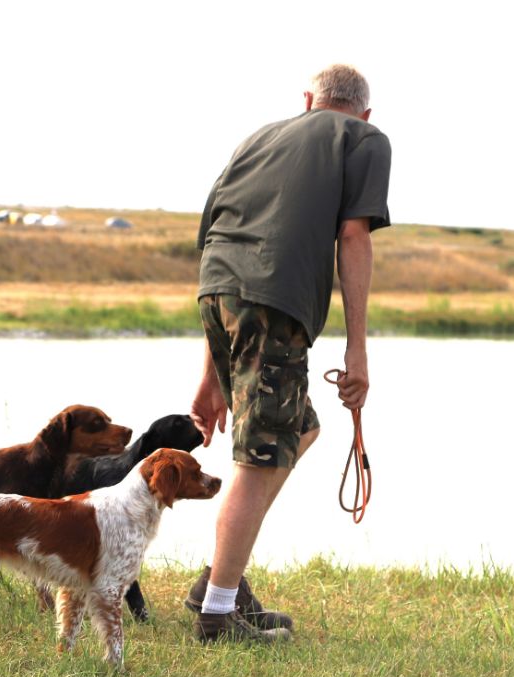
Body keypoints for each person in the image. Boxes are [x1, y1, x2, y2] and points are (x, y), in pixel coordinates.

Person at [186, 64, 392, 642]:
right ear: (364, 113)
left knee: (296, 428)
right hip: (274, 306)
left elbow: (215, 236)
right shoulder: (364, 139)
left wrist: (210, 372)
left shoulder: (258, 137)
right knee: (260, 459)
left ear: (309, 101)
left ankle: (218, 582)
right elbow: (353, 237)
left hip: (217, 293)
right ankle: (218, 616)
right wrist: (358, 352)